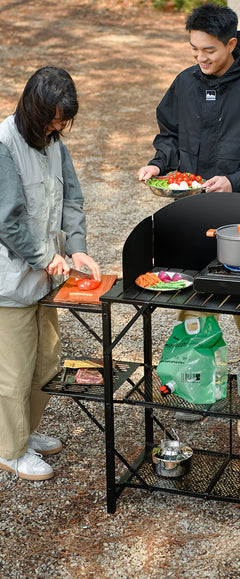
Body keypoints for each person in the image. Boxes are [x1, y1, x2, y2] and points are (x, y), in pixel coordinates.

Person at [138, 4, 240, 372]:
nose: (200, 57)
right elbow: (170, 134)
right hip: (196, 212)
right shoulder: (185, 83)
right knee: (193, 294)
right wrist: (159, 163)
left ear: (231, 44)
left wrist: (234, 180)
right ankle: (191, 380)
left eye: (208, 50)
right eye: (194, 49)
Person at [0, 66, 101, 480]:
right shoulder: (4, 143)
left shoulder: (54, 141)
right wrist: (46, 257)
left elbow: (72, 198)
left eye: (63, 120)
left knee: (47, 365)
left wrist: (75, 250)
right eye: (54, 118)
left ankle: (24, 432)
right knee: (14, 373)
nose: (59, 126)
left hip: (45, 281)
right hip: (10, 284)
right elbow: (7, 221)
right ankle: (10, 449)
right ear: (33, 108)